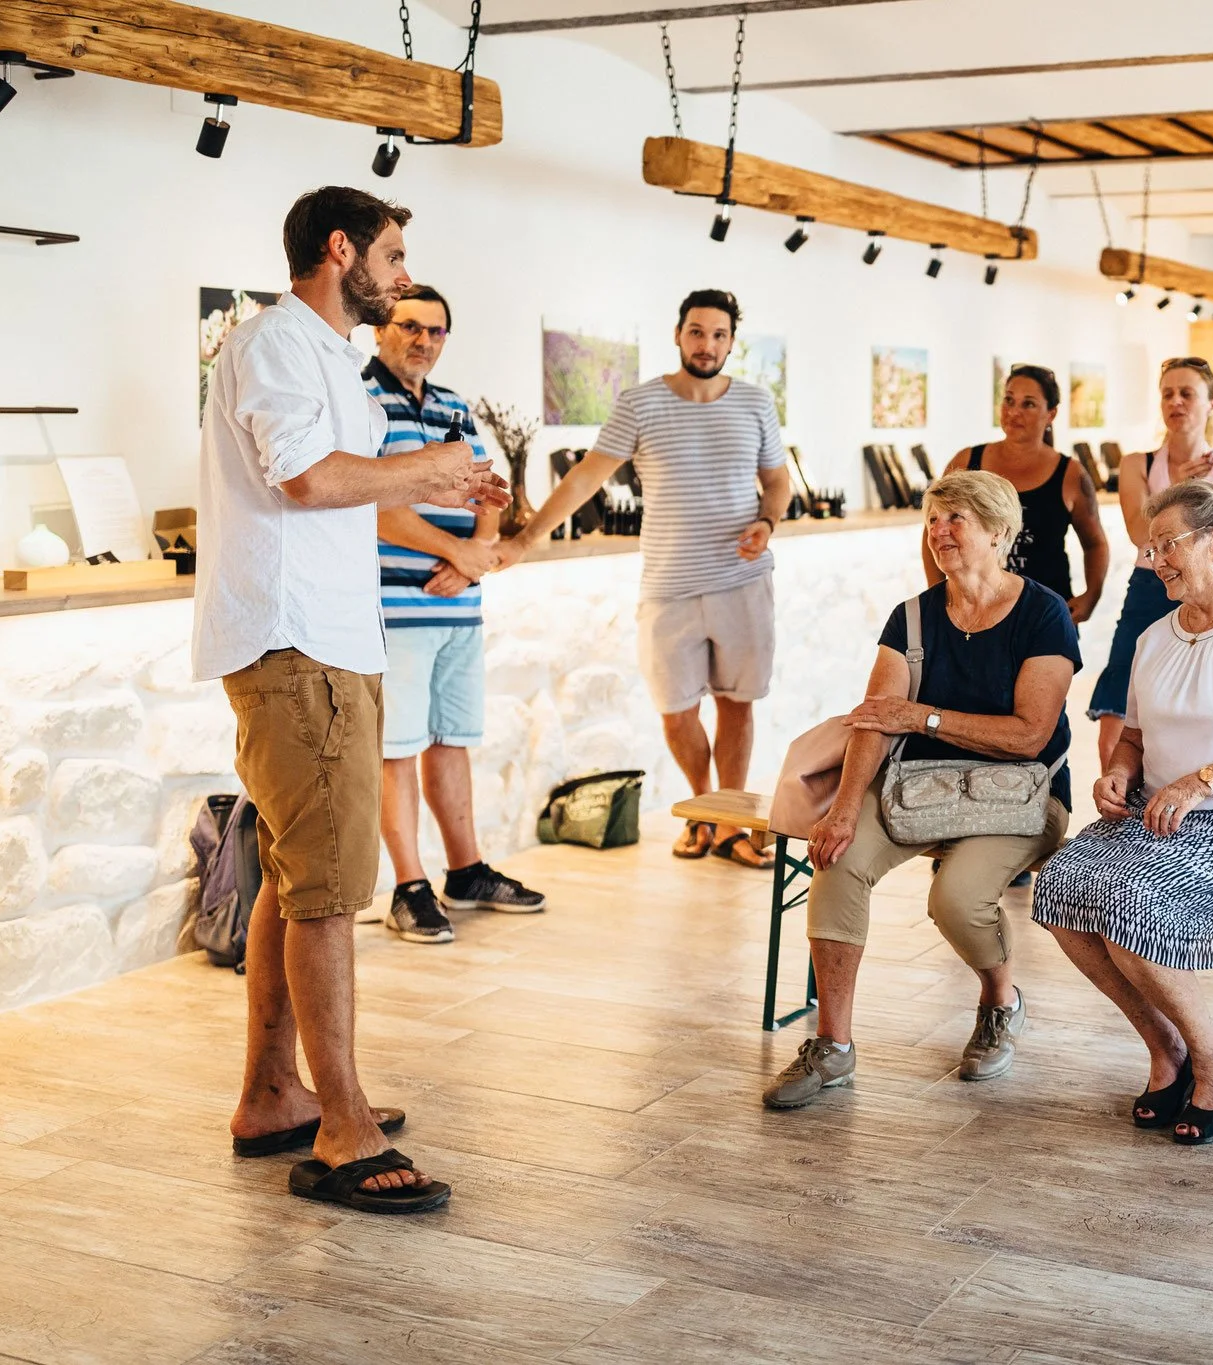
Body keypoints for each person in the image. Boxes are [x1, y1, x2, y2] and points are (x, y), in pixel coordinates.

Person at [197, 186, 507, 1212]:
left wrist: (446, 496)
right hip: (296, 646)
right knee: (329, 892)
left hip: (332, 641)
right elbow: (305, 481)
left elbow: (353, 494)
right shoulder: (277, 344)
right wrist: (429, 464)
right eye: (394, 255)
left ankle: (273, 1095)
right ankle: (343, 1129)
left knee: (299, 878)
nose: (404, 275)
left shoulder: (330, 358)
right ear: (342, 250)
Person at [763, 471, 1078, 1108]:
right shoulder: (911, 618)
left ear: (1000, 532)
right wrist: (842, 810)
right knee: (837, 861)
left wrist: (925, 718)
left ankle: (1000, 1002)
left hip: (1022, 795)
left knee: (956, 899)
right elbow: (876, 721)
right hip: (918, 788)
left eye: (956, 519)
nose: (939, 531)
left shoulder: (1044, 614)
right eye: (933, 519)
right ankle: (833, 1046)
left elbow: (1028, 735)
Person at [1032, 481, 1213, 1145]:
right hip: (1162, 809)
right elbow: (1134, 738)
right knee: (1059, 888)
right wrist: (1118, 774)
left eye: (1168, 544)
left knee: (1129, 905)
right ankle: (1165, 1046)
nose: (1154, 559)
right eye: (1150, 548)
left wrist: (1203, 781)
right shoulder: (1153, 638)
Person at [505, 289, 790, 869]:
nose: (706, 344)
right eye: (696, 332)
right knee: (676, 711)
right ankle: (703, 809)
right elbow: (585, 478)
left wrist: (767, 522)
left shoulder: (756, 403)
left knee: (737, 705)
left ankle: (729, 823)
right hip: (667, 584)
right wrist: (524, 539)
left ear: (731, 342)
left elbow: (778, 482)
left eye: (718, 335)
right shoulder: (640, 403)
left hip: (741, 579)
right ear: (678, 334)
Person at [365, 284, 546, 945]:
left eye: (435, 330)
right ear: (380, 329)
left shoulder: (452, 406)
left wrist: (474, 558)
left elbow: (488, 493)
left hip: (459, 607)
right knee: (397, 749)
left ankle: (465, 871)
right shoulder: (360, 400)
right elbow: (371, 505)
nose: (423, 340)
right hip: (392, 607)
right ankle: (409, 886)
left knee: (451, 739)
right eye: (410, 326)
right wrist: (457, 552)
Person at [1089, 356, 1213, 769]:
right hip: (1150, 587)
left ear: (1211, 403)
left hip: (1211, 593)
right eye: (1167, 394)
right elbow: (1140, 533)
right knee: (1119, 700)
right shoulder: (1139, 463)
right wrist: (1183, 485)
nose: (1176, 402)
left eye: (1187, 393)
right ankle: (1115, 793)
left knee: (1203, 700)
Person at [927, 364, 1108, 624]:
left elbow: (1095, 543)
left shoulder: (1070, 474)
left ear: (1051, 414)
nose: (1014, 412)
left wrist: (1091, 596)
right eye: (1009, 400)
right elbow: (934, 532)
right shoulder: (966, 462)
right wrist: (937, 596)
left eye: (1028, 404)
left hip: (1045, 615)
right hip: (975, 611)